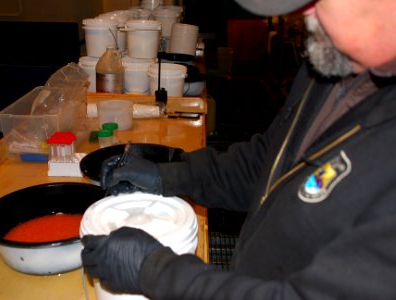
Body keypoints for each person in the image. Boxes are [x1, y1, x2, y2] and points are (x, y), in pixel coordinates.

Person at [81, 0, 396, 299]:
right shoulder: (332, 64)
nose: (301, 13)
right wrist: (169, 175)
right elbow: (268, 163)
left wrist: (155, 272)